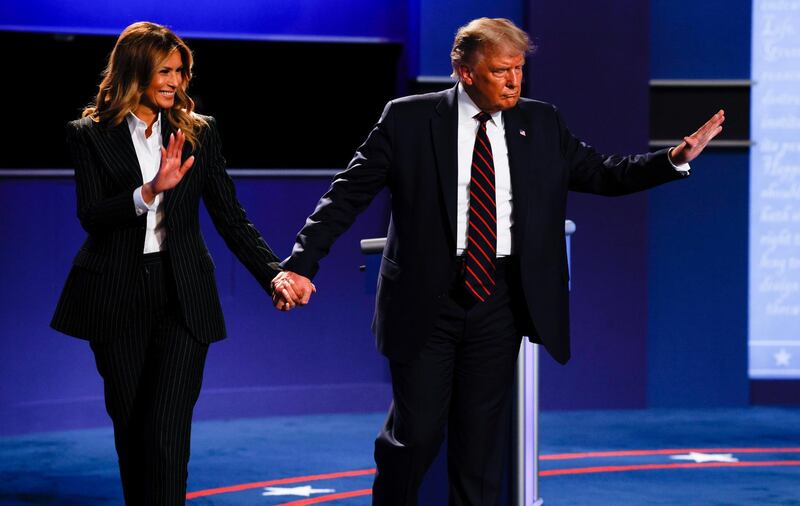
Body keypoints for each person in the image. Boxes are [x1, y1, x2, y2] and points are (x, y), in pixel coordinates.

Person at [271, 17, 724, 506]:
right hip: (428, 302)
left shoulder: (541, 121)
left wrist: (673, 158)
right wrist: (300, 263)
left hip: (500, 303)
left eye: (519, 70)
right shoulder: (407, 120)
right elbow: (345, 197)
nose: (513, 81)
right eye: (501, 71)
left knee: (480, 447)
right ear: (464, 71)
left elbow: (603, 174)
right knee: (416, 436)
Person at [51, 21, 306, 505]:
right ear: (134, 72)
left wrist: (273, 273)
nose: (174, 81)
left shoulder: (198, 133)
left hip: (181, 294)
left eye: (180, 71)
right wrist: (148, 192)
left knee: (166, 434)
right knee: (131, 433)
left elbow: (230, 216)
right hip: (115, 295)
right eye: (163, 71)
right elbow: (91, 215)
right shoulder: (89, 134)